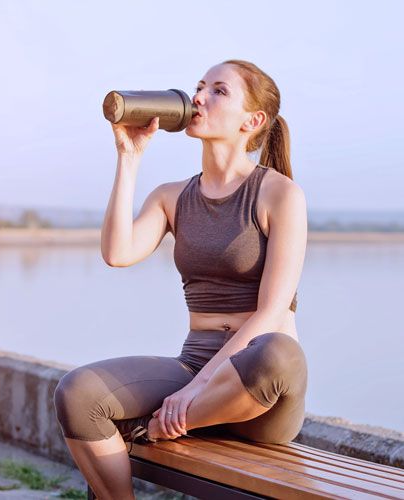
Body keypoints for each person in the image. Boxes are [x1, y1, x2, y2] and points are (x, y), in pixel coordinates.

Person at [54, 59, 308, 500]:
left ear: (253, 121)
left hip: (256, 392)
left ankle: (159, 427)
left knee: (278, 353)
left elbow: (271, 311)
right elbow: (118, 253)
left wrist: (191, 395)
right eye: (199, 87)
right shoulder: (172, 196)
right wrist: (128, 158)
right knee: (77, 393)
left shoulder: (279, 194)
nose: (199, 98)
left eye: (218, 91)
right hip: (194, 366)